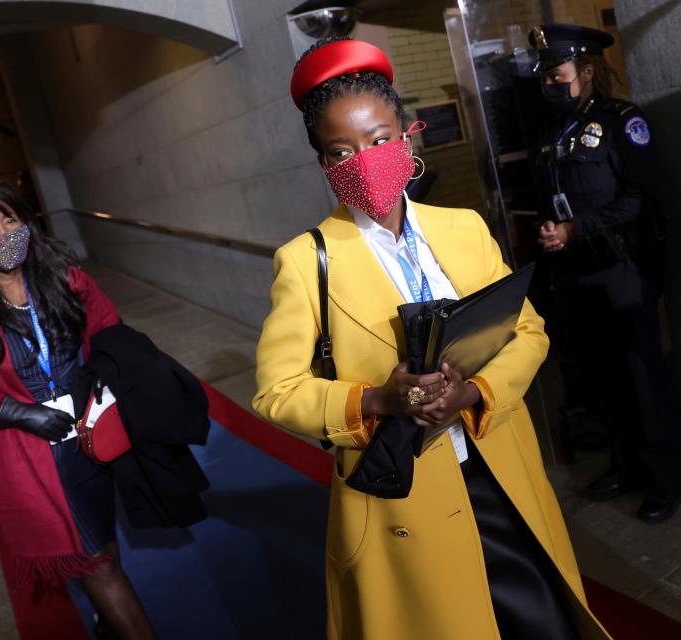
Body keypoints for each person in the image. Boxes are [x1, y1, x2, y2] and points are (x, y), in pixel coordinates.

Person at [253, 36, 610, 639]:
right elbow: (276, 392)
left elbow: (528, 330)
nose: (363, 160)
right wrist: (374, 401)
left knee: (546, 623)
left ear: (407, 135)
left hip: (497, 466)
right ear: (323, 166)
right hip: (402, 494)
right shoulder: (305, 261)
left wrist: (473, 392)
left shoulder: (464, 228)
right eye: (341, 151)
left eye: (379, 140)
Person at [0, 178, 154, 639]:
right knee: (100, 565)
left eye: (10, 219)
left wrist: (107, 376)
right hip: (38, 458)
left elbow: (110, 333)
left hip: (94, 439)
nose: (3, 234)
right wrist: (13, 413)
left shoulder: (66, 281)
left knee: (103, 544)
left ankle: (105, 613)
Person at [530, 24, 681, 523]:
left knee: (643, 376)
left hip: (623, 268)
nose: (551, 85)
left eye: (558, 75)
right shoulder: (556, 131)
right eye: (547, 77)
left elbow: (640, 199)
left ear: (588, 70)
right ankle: (626, 466)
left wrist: (577, 229)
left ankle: (667, 480)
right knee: (605, 377)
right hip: (578, 274)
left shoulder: (623, 121)